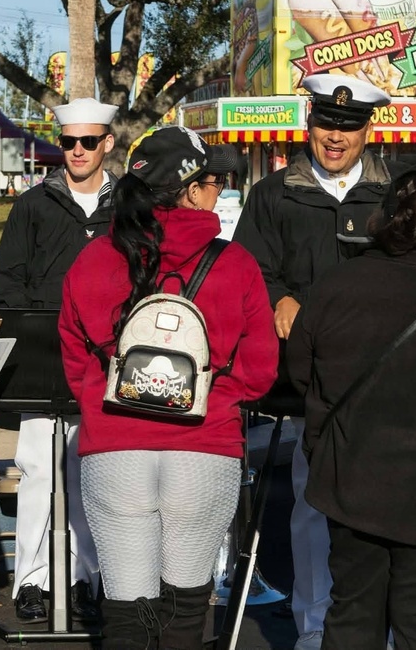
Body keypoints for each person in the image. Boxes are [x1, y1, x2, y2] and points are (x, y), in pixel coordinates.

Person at [59, 126, 278, 648]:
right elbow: (261, 369)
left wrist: (102, 398)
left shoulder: (94, 258)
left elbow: (72, 355)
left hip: (115, 448)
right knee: (184, 610)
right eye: (213, 181)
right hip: (205, 448)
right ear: (192, 190)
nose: (219, 190)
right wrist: (217, 395)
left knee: (127, 610)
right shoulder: (236, 264)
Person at [287, 163, 416, 649]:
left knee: (352, 617)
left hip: (350, 484)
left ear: (383, 215)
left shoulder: (335, 287)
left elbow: (300, 372)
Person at [232, 72, 395, 650]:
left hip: (383, 375)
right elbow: (251, 269)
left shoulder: (392, 190)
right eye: (327, 123)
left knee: (381, 508)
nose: (336, 137)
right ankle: (314, 624)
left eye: (348, 127)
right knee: (309, 504)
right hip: (309, 378)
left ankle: (378, 628)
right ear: (310, 124)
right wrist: (280, 297)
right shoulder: (274, 193)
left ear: (367, 131)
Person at [0, 96, 118, 623]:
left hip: (109, 361)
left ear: (107, 143)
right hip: (45, 357)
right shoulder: (33, 204)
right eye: (69, 142)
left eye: (89, 141)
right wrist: (37, 321)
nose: (78, 151)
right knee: (39, 468)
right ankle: (33, 580)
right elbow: (5, 282)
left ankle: (90, 576)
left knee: (95, 471)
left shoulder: (128, 204)